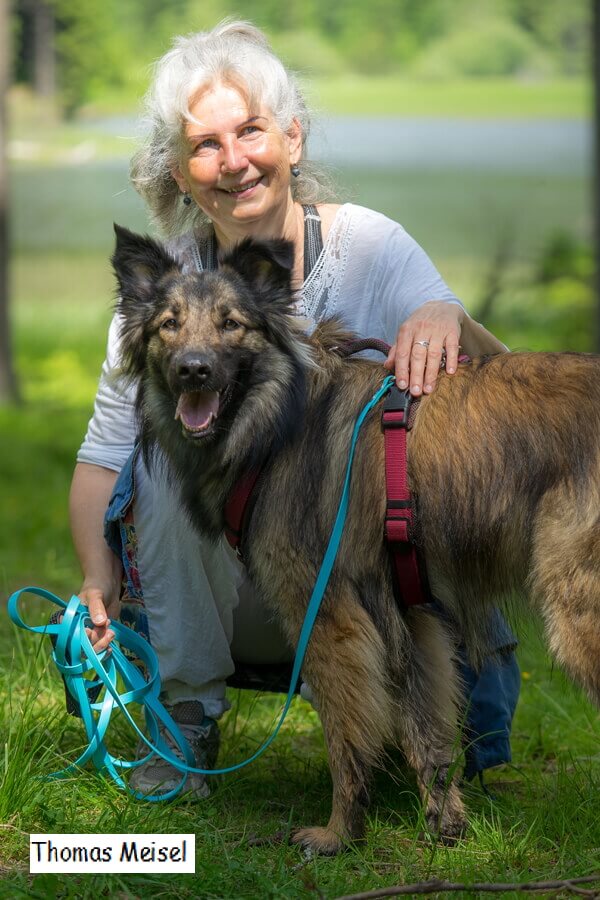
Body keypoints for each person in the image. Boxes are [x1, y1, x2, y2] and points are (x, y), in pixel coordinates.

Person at [69, 20, 519, 798]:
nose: (234, 160)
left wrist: (450, 315)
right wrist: (96, 583)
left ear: (294, 138)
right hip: (237, 597)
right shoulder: (157, 296)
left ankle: (394, 699)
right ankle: (186, 715)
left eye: (251, 131)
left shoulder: (373, 247)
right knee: (167, 462)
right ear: (177, 170)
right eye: (205, 144)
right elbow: (101, 460)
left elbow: (507, 393)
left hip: (385, 585)